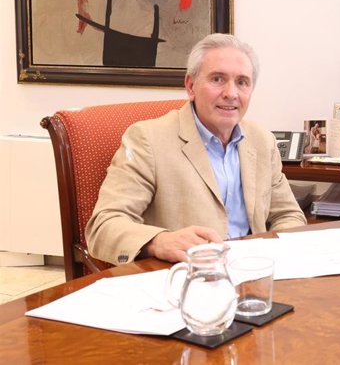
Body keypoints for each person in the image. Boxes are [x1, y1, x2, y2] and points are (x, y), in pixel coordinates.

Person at [86, 33, 307, 265]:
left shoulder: (262, 140)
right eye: (218, 79)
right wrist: (159, 241)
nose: (231, 93)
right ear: (191, 86)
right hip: (186, 280)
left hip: (255, 276)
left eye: (242, 82)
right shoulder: (147, 139)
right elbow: (103, 227)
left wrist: (276, 254)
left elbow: (288, 215)